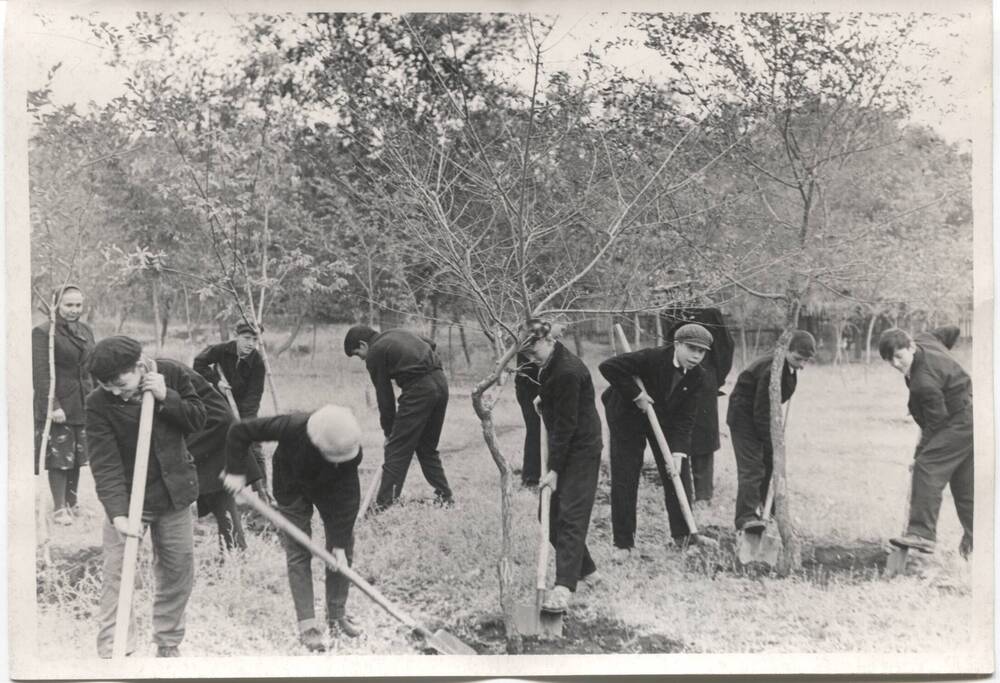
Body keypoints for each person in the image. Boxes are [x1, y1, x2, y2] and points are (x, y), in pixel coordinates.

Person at [85, 336, 206, 658]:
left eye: (118, 382)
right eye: (105, 384)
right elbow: (104, 462)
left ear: (139, 367)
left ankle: (168, 642)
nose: (113, 390)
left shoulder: (173, 374)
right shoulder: (98, 402)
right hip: (128, 500)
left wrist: (168, 397)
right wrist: (119, 515)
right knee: (117, 573)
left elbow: (199, 419)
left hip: (172, 494)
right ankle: (115, 649)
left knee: (178, 569)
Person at [223, 404, 364, 652]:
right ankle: (307, 624)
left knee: (343, 548)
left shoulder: (350, 448)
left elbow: (349, 497)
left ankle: (336, 615)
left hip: (332, 489)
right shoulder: (292, 426)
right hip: (291, 486)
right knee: (298, 550)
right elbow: (240, 431)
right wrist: (235, 472)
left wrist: (339, 546)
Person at [599, 323, 713, 559]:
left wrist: (678, 452)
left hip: (664, 419)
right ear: (677, 344)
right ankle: (623, 544)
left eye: (701, 352)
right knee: (626, 474)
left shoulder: (698, 376)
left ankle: (683, 535)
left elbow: (687, 417)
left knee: (677, 471)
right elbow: (608, 367)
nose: (696, 356)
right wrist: (637, 394)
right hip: (626, 414)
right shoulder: (651, 358)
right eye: (691, 348)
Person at [522, 320, 602, 614]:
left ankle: (564, 587)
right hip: (565, 444)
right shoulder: (553, 364)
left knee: (571, 516)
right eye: (526, 356)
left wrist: (554, 470)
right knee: (548, 515)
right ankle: (590, 571)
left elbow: (567, 425)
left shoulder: (567, 371)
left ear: (548, 341)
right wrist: (546, 397)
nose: (531, 360)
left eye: (533, 353)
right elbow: (561, 402)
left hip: (581, 449)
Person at [878, 326, 972, 558]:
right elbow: (951, 331)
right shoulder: (925, 339)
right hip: (971, 415)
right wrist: (944, 358)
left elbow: (936, 425)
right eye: (890, 361)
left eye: (899, 357)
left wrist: (919, 456)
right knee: (963, 485)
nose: (896, 364)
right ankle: (979, 539)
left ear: (911, 347)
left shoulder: (923, 382)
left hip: (959, 422)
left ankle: (922, 534)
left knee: (927, 467)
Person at [343, 325, 454, 509]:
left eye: (357, 353)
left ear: (363, 344)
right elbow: (430, 343)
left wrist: (389, 433)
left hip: (420, 390)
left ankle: (383, 505)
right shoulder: (397, 333)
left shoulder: (375, 353)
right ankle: (445, 496)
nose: (361, 358)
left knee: (397, 449)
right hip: (441, 382)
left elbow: (384, 397)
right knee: (427, 447)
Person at [726, 330, 816, 534]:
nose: (802, 365)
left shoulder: (787, 367)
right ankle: (746, 517)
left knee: (769, 464)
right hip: (744, 418)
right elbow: (761, 411)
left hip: (760, 418)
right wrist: (772, 442)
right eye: (798, 359)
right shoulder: (771, 369)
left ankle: (773, 511)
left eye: (805, 361)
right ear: (786, 350)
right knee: (753, 466)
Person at [32, 284, 96, 524]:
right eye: (68, 305)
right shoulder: (43, 332)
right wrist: (54, 405)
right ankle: (59, 508)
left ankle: (73, 502)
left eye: (78, 305)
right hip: (58, 401)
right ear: (56, 305)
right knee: (59, 454)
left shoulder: (85, 330)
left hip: (83, 401)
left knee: (77, 455)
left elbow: (93, 364)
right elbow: (40, 374)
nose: (74, 310)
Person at [186, 367, 263, 554]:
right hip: (208, 433)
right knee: (220, 501)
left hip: (215, 433)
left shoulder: (166, 376)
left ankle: (236, 555)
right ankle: (236, 554)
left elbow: (221, 416)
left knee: (220, 500)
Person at [194, 320, 270, 501]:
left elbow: (253, 397)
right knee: (214, 443)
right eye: (246, 338)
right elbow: (198, 364)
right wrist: (216, 381)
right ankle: (212, 493)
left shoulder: (257, 362)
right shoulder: (221, 350)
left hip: (244, 408)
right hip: (218, 404)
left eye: (255, 339)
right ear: (236, 336)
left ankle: (263, 492)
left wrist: (245, 424)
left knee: (254, 447)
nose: (251, 343)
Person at [665, 309, 735, 504]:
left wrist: (713, 378)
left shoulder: (712, 313)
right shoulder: (674, 309)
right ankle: (679, 489)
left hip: (705, 382)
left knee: (703, 435)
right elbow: (669, 345)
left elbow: (725, 348)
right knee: (678, 431)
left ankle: (703, 493)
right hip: (677, 379)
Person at [514, 350, 541, 487]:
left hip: (532, 386)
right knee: (535, 431)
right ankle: (531, 477)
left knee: (537, 431)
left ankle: (534, 473)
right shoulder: (532, 336)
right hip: (529, 388)